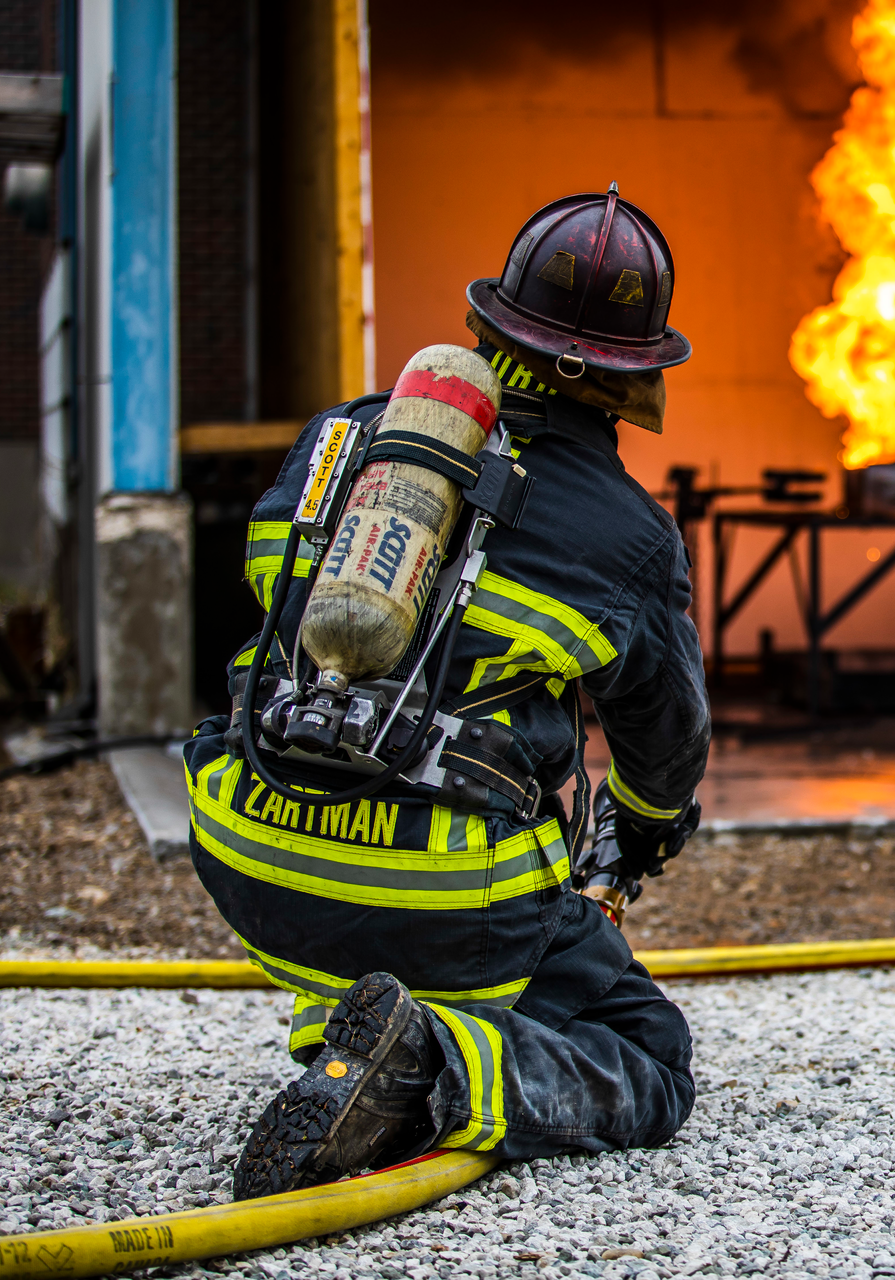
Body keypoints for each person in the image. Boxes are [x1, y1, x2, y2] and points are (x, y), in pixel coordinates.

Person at [183, 186, 710, 1200]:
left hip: (247, 853)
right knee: (647, 1050)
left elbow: (260, 605)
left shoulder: (343, 440)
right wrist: (639, 837)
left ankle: (350, 1014)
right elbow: (662, 748)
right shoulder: (628, 534)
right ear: (633, 378)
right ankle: (433, 1060)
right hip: (444, 902)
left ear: (487, 323)